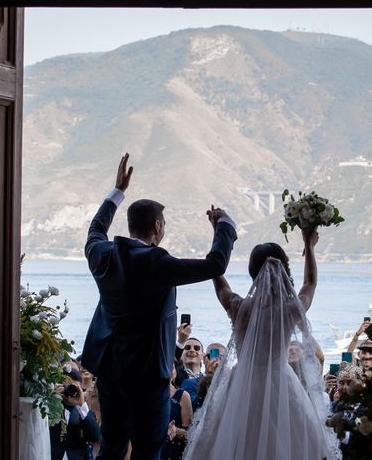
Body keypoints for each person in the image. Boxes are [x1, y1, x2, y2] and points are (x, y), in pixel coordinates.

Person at [81, 153, 237, 460]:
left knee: (112, 446)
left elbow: (95, 229)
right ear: (157, 226)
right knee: (147, 450)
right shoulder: (158, 262)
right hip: (149, 373)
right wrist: (224, 225)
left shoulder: (101, 254)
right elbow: (215, 263)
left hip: (111, 368)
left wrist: (117, 191)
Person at [183, 227, 341, 460]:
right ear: (283, 270)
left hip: (241, 385)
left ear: (252, 272)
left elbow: (220, 285)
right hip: (281, 385)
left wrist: (218, 241)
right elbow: (310, 283)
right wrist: (309, 246)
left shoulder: (239, 308)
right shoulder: (289, 310)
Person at [50, 369, 101, 460]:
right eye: (67, 387)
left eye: (75, 389)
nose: (71, 392)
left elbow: (95, 436)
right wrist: (52, 397)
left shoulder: (83, 411)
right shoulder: (50, 408)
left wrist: (81, 404)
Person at [160, 364, 193, 460]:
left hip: (172, 453)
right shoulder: (143, 396)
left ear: (175, 374)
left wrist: (176, 430)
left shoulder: (182, 396)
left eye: (171, 367)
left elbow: (190, 434)